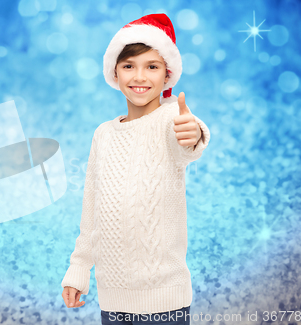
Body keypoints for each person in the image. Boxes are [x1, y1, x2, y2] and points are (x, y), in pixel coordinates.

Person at [60, 13, 211, 325]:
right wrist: (78, 270)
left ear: (167, 74)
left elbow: (188, 139)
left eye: (151, 67)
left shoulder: (171, 120)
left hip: (166, 303)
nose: (139, 76)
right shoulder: (103, 134)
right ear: (115, 72)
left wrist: (193, 133)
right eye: (129, 66)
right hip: (114, 302)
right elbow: (92, 214)